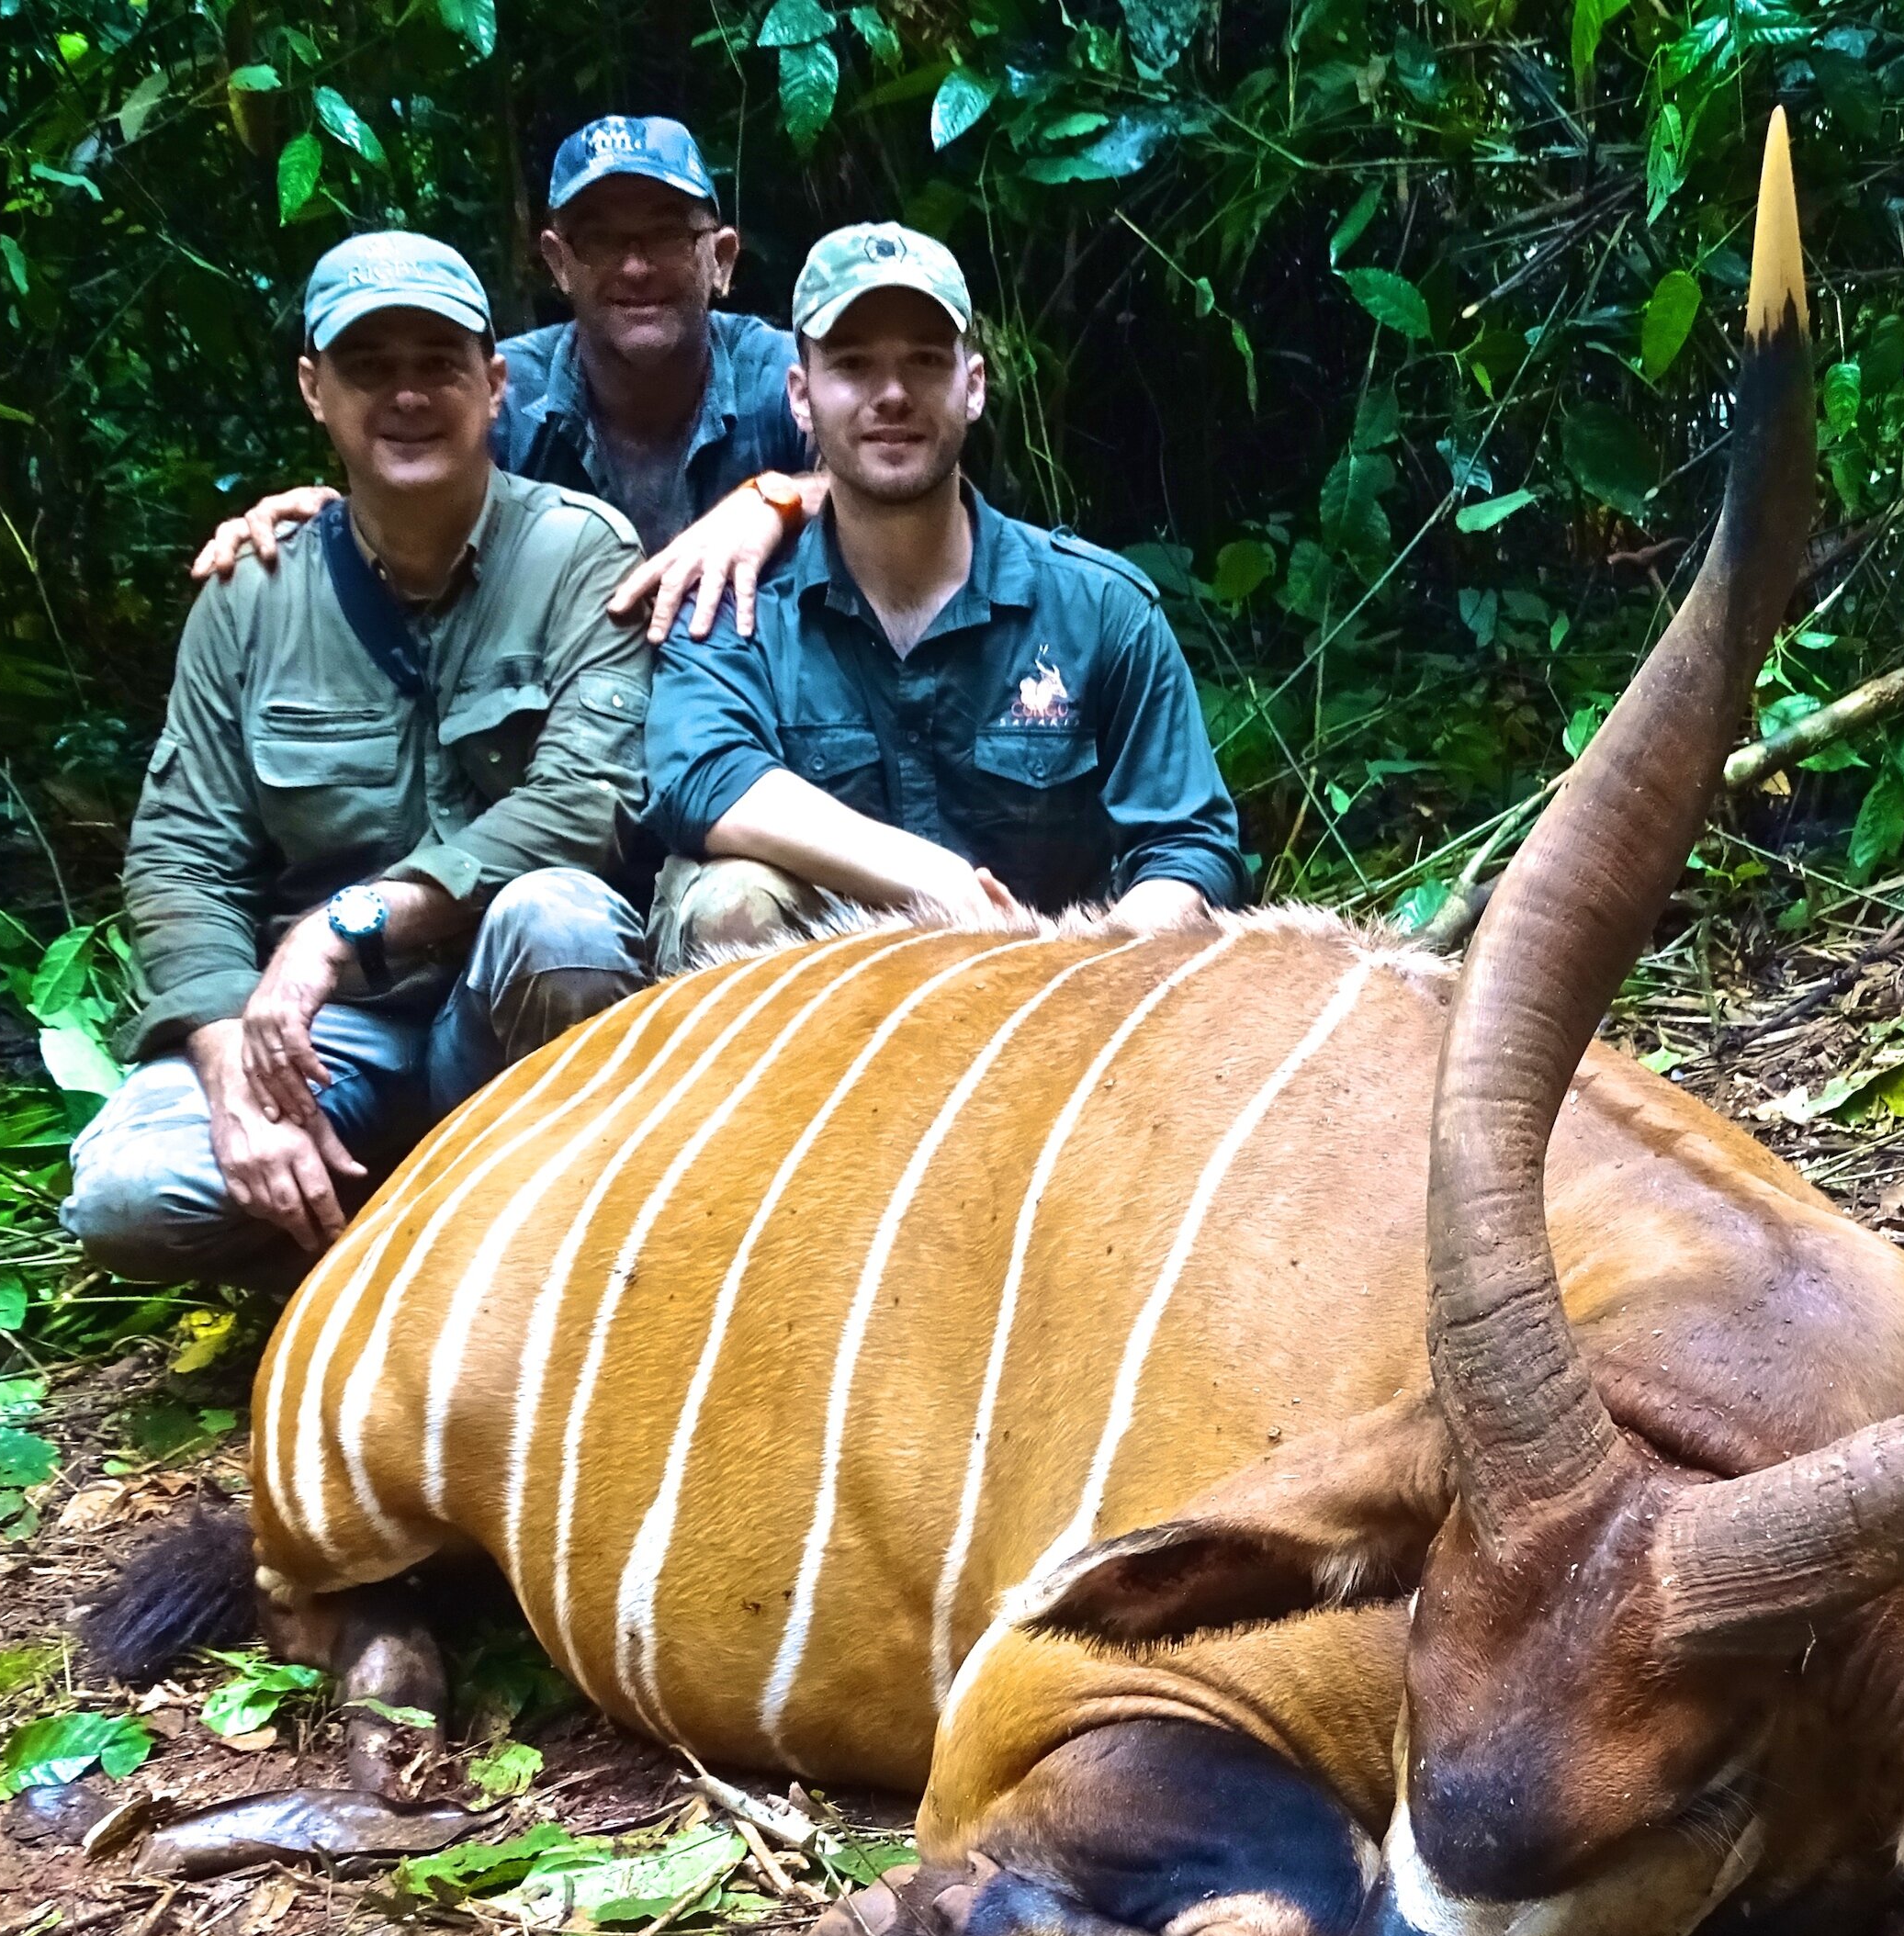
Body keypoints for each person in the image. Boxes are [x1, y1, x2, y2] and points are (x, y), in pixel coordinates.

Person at [63, 232, 654, 1291]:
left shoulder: (581, 553)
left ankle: (521, 1250)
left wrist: (351, 922)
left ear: (496, 382)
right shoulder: (250, 591)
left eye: (438, 365)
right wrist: (227, 1052)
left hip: (499, 1002)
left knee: (564, 921)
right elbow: (180, 856)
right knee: (129, 1194)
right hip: (318, 1041)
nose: (409, 396)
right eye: (369, 369)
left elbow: (586, 800)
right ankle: (362, 1229)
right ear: (314, 390)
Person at [640, 222, 1245, 965]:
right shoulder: (737, 602)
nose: (892, 395)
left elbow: (1189, 843)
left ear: (975, 386)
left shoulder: (1099, 608)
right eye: (854, 365)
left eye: (926, 362)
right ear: (801, 396)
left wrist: (1091, 970)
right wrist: (936, 882)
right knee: (732, 900)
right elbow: (702, 777)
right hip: (816, 1032)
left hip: (1047, 1012)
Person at [189, 117, 822, 636]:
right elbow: (398, 508)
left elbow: (907, 484)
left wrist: (774, 500)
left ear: (722, 258)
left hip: (754, 719)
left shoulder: (784, 372)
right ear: (558, 262)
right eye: (599, 240)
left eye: (665, 236)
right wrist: (320, 523)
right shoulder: (500, 391)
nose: (634, 266)